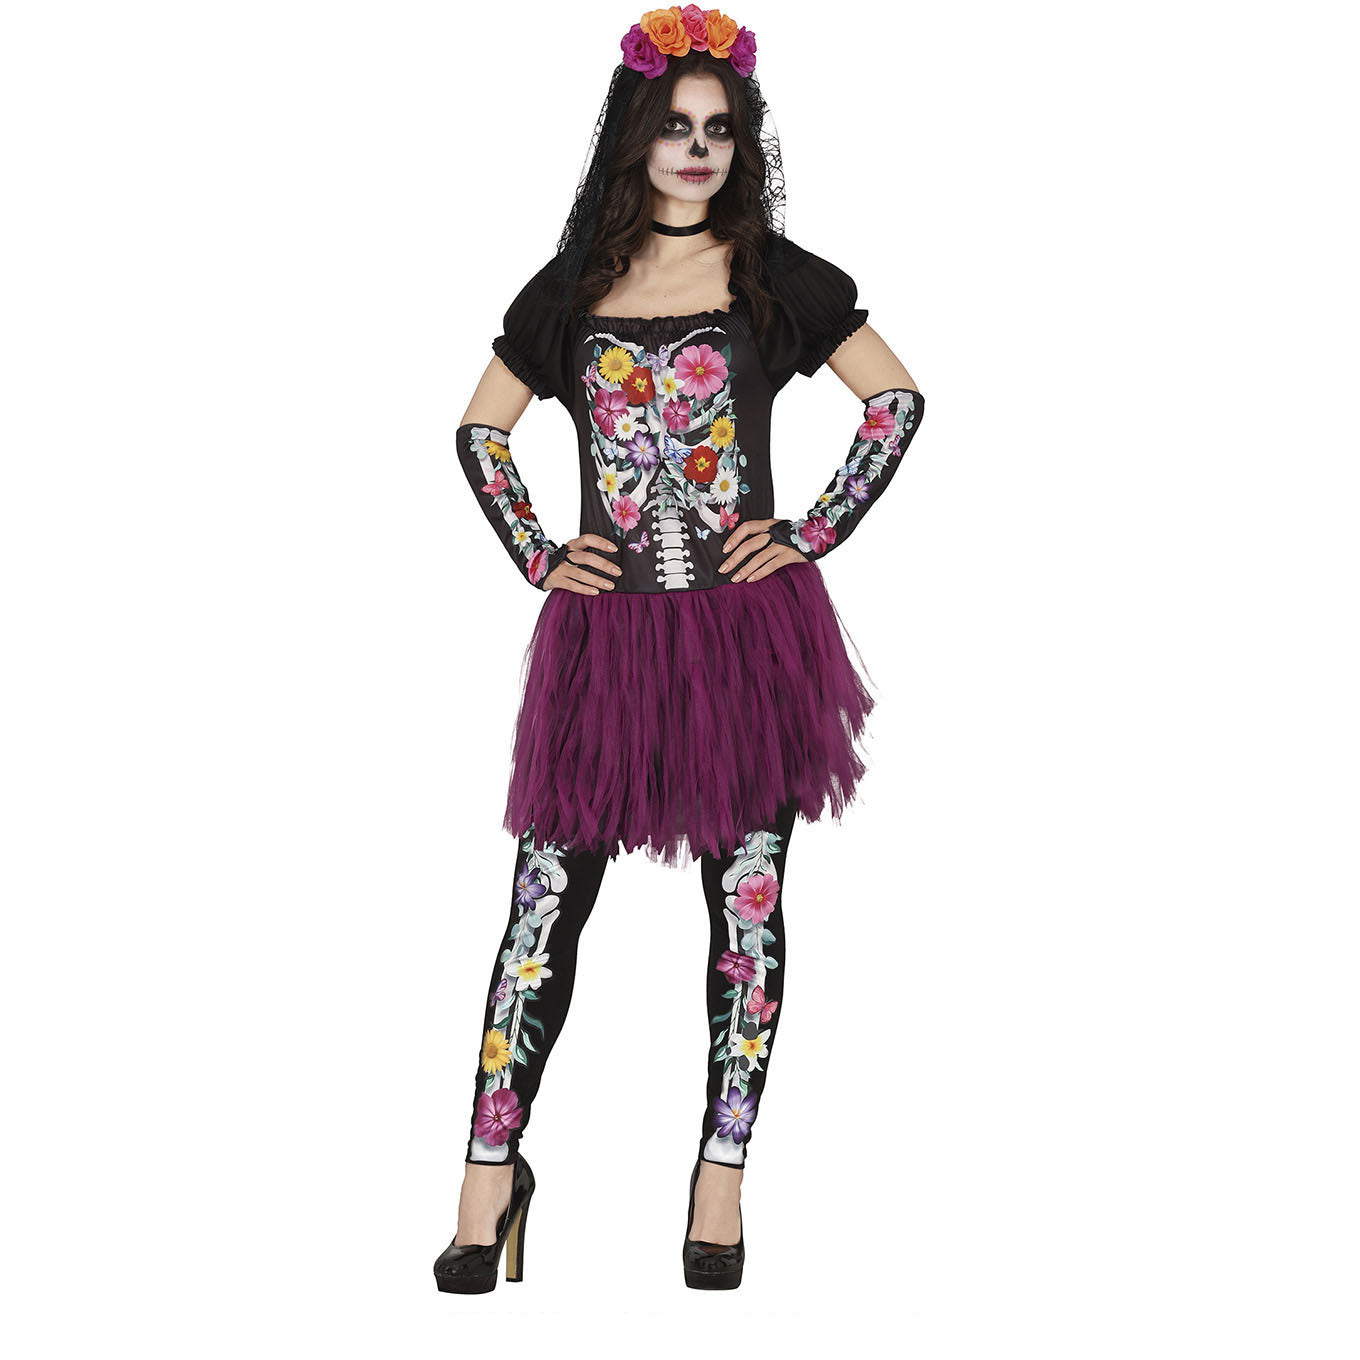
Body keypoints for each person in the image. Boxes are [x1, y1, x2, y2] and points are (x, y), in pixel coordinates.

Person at [434, 6, 924, 1293]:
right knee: (542, 904)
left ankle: (719, 1175)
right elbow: (479, 430)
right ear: (636, 139)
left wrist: (810, 531)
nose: (697, 149)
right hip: (603, 644)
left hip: (746, 639)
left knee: (745, 905)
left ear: (740, 145)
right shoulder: (571, 290)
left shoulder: (772, 278)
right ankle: (488, 1173)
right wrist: (538, 550)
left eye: (719, 129)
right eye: (675, 127)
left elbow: (895, 398)